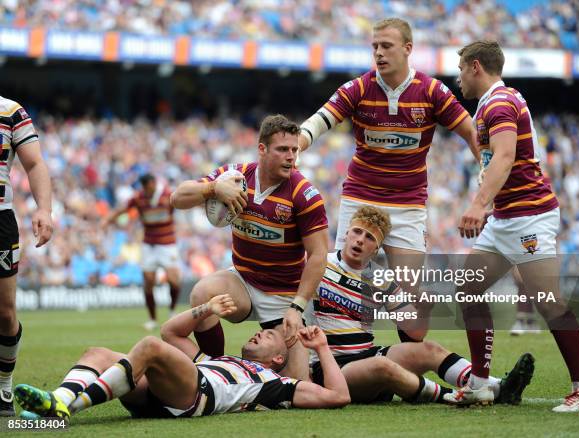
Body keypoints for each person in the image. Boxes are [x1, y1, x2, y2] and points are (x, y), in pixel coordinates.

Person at [297, 18, 479, 342]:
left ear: (408, 49)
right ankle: (342, 362)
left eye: (386, 46)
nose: (379, 53)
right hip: (360, 200)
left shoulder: (433, 91)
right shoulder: (358, 88)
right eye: (375, 47)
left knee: (408, 299)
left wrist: (487, 177)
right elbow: (318, 121)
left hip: (408, 205)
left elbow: (471, 132)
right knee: (344, 286)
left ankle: (407, 367)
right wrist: (296, 144)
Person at [447, 40, 579, 412]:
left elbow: (504, 156)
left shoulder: (499, 103)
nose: (457, 78)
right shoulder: (496, 101)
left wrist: (478, 204)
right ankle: (481, 383)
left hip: (528, 215)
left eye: (460, 69)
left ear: (476, 67)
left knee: (549, 303)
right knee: (469, 289)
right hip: (506, 218)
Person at [310, 206, 534, 404]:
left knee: (429, 349)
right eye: (357, 232)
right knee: (382, 366)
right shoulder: (320, 265)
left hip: (365, 355)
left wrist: (425, 309)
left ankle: (494, 386)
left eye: (369, 237)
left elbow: (414, 332)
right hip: (331, 368)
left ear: (376, 249)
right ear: (346, 233)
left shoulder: (381, 279)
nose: (360, 240)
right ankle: (449, 395)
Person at [14, 295, 350, 420]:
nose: (258, 332)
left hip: (196, 395)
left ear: (278, 359)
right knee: (97, 353)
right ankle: (56, 401)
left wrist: (320, 348)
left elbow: (338, 395)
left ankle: (67, 408)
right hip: (176, 387)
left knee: (148, 347)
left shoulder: (276, 384)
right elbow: (171, 332)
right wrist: (208, 309)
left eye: (269, 336)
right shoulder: (224, 361)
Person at [171, 114, 329, 380]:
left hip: (284, 295)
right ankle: (216, 371)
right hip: (243, 281)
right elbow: (177, 198)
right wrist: (213, 189)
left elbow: (318, 255)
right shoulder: (233, 177)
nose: (291, 156)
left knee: (299, 383)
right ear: (262, 149)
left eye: (294, 149)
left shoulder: (304, 194)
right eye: (282, 149)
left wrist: (297, 307)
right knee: (202, 293)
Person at [0, 96, 53, 416]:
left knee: (5, 313)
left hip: (0, 219)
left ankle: (3, 384)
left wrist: (44, 209)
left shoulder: (10, 111)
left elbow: (34, 163)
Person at [102, 174, 181, 330]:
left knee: (174, 280)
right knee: (149, 281)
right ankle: (152, 319)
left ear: (153, 183)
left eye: (148, 187)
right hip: (149, 244)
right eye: (143, 188)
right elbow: (123, 209)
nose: (146, 190)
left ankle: (172, 311)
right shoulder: (138, 197)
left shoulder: (168, 195)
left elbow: (183, 202)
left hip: (167, 243)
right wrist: (107, 220)